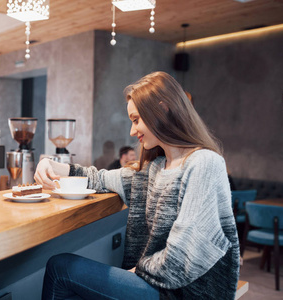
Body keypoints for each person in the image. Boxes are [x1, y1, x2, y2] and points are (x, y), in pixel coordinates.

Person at [35, 71, 239, 300]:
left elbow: (186, 255)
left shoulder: (204, 163)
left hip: (181, 294)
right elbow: (99, 178)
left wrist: (139, 271)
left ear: (162, 109)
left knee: (60, 268)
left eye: (136, 120)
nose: (132, 131)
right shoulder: (155, 168)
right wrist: (50, 164)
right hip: (157, 284)